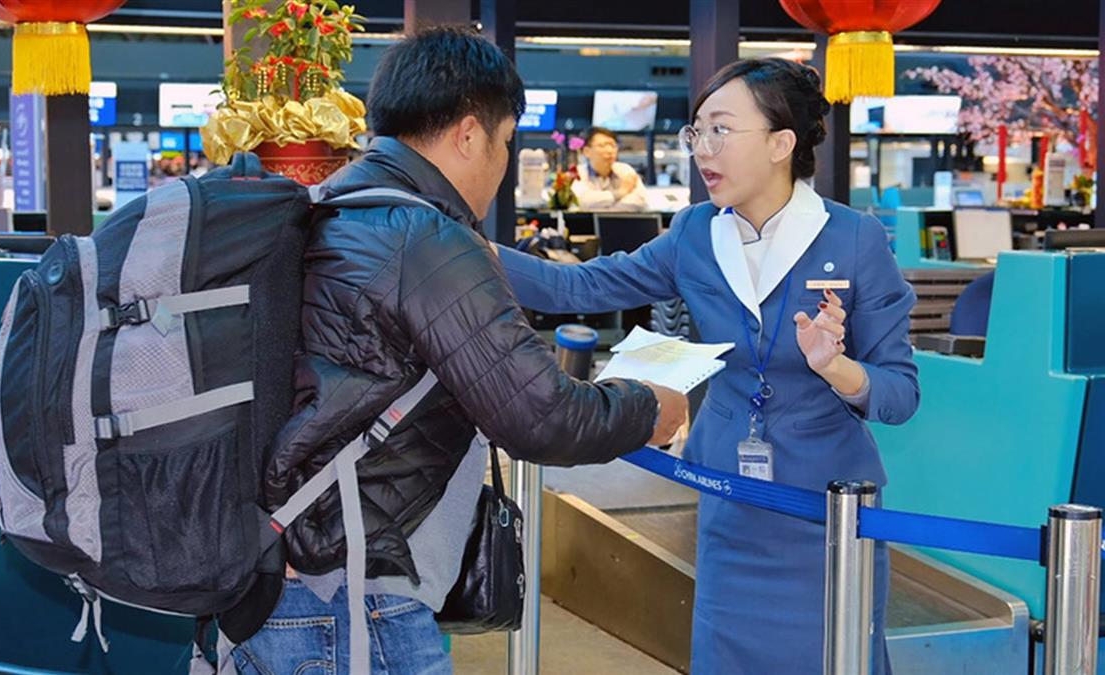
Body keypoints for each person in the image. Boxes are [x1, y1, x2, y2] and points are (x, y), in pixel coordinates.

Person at [233, 27, 689, 675]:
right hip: (353, 601)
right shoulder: (426, 236)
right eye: (506, 141)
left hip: (273, 581)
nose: (502, 164)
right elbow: (541, 415)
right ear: (470, 134)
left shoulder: (329, 205)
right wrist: (650, 408)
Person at [495, 58, 918, 674]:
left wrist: (837, 369)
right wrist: (460, 247)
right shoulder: (696, 233)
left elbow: (899, 394)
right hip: (729, 503)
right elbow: (577, 287)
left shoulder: (854, 238)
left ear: (781, 144)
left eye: (721, 129)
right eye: (697, 131)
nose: (702, 149)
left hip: (829, 513)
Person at [572, 126, 649, 211]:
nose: (609, 150)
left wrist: (603, 210)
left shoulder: (625, 170)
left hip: (623, 220)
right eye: (602, 146)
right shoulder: (577, 173)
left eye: (613, 145)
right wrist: (620, 193)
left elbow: (639, 202)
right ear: (586, 151)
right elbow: (581, 202)